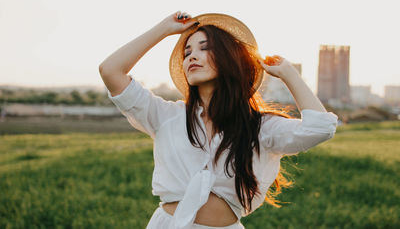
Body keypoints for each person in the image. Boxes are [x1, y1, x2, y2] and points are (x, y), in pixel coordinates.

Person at [99, 11, 338, 229]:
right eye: (188, 52)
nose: (192, 56)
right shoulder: (165, 116)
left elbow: (320, 128)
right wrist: (164, 29)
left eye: (205, 48)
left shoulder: (259, 127)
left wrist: (288, 74)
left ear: (229, 58)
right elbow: (110, 70)